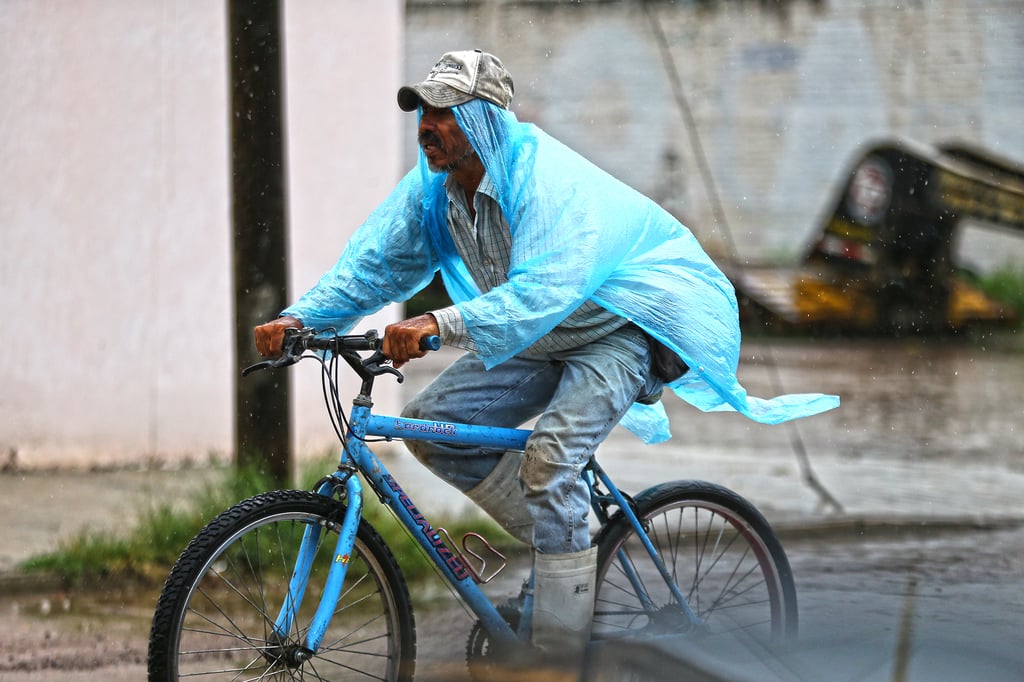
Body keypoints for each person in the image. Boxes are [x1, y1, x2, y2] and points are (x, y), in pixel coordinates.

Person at [254, 49, 839, 661]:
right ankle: (563, 548)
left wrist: (438, 323)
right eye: (421, 112)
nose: (426, 126)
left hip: (622, 328)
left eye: (443, 113)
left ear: (484, 119)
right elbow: (373, 267)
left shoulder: (544, 183)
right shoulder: (436, 190)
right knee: (436, 428)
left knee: (551, 458)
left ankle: (558, 658)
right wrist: (300, 319)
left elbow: (540, 292)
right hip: (542, 335)